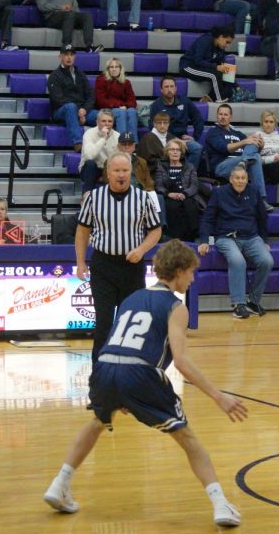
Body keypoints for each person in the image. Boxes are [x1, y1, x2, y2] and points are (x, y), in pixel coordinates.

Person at [43, 240, 248, 527]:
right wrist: (218, 396)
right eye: (190, 272)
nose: (192, 279)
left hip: (104, 369)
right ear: (178, 271)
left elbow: (117, 344)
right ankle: (221, 505)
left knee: (97, 423)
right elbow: (181, 361)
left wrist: (122, 393)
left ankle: (58, 484)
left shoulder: (133, 298)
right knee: (187, 438)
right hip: (138, 374)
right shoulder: (176, 307)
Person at [75, 152, 162, 361]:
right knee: (104, 321)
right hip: (103, 264)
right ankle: (99, 369)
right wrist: (80, 262)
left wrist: (141, 250)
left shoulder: (143, 197)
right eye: (117, 171)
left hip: (132, 266)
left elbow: (156, 230)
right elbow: (82, 231)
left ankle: (129, 366)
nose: (121, 175)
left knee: (131, 321)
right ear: (108, 173)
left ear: (131, 172)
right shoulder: (94, 198)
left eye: (125, 170)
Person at [198, 164, 273, 318]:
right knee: (238, 261)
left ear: (247, 179)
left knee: (267, 261)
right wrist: (204, 240)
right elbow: (208, 218)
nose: (240, 181)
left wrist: (264, 240)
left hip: (251, 237)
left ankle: (253, 301)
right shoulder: (219, 193)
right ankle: (239, 304)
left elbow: (262, 218)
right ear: (231, 179)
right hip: (226, 237)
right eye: (237, 178)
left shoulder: (254, 191)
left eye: (243, 178)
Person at [205, 105, 268, 209]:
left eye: (226, 114)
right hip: (222, 166)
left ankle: (244, 162)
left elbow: (251, 148)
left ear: (231, 118)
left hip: (241, 165)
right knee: (254, 154)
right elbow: (224, 148)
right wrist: (244, 142)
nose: (222, 117)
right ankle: (262, 199)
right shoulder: (213, 132)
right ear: (217, 116)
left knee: (255, 151)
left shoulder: (238, 134)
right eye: (220, 114)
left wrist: (260, 145)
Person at [48, 45, 98, 152]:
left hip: (81, 111)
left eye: (71, 55)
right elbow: (57, 99)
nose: (69, 58)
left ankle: (111, 144)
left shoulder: (80, 74)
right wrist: (77, 110)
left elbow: (91, 95)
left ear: (75, 57)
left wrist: (84, 110)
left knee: (102, 116)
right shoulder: (54, 76)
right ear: (60, 57)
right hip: (61, 111)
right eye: (66, 55)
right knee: (70, 107)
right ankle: (78, 143)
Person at [149, 77, 204, 172]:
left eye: (171, 86)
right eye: (166, 87)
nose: (169, 89)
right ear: (161, 90)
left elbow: (198, 118)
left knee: (197, 148)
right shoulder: (156, 106)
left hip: (183, 138)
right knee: (175, 150)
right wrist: (175, 140)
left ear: (176, 88)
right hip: (164, 140)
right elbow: (153, 128)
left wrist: (195, 137)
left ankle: (187, 175)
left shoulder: (185, 101)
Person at [36, 0, 102, 52]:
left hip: (70, 17)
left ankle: (89, 46)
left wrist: (71, 10)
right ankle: (66, 45)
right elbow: (42, 6)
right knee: (69, 14)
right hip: (52, 18)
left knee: (87, 15)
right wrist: (61, 8)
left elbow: (76, 10)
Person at [154, 139, 199, 242]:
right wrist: (169, 194)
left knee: (189, 205)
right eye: (172, 149)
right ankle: (172, 238)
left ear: (181, 152)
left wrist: (184, 193)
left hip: (186, 196)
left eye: (178, 150)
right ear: (167, 152)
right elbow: (159, 185)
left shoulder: (189, 166)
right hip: (169, 196)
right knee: (171, 206)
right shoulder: (161, 166)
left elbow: (194, 185)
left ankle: (190, 238)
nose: (175, 152)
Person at [180, 25, 238, 102]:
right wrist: (216, 67)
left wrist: (237, 87)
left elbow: (223, 67)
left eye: (229, 44)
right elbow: (198, 61)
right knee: (214, 75)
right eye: (227, 42)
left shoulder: (220, 49)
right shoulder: (205, 41)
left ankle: (210, 97)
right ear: (220, 37)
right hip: (188, 66)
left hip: (202, 67)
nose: (227, 45)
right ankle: (219, 99)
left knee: (225, 78)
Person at [95, 58, 138, 142]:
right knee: (120, 112)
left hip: (122, 109)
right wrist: (119, 105)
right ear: (108, 69)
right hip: (106, 110)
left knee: (132, 111)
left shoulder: (126, 82)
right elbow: (101, 101)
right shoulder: (101, 80)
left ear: (120, 69)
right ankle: (122, 143)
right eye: (111, 67)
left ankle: (134, 144)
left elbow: (133, 101)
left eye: (116, 67)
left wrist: (125, 106)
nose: (114, 69)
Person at [79, 109, 120, 193]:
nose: (107, 124)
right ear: (97, 122)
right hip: (89, 169)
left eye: (110, 121)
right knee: (90, 164)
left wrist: (105, 174)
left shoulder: (117, 136)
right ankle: (86, 197)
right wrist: (103, 138)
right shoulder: (89, 133)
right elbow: (90, 156)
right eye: (103, 121)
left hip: (108, 169)